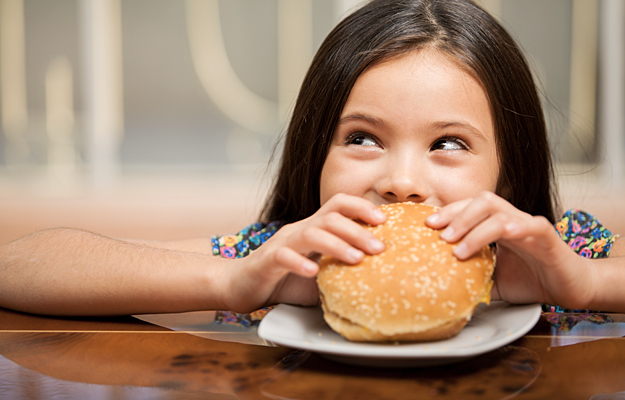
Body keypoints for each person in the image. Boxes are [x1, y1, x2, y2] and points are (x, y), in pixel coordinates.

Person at [0, 0, 622, 317]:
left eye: (448, 144)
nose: (402, 182)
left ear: (506, 173)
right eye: (362, 138)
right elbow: (18, 266)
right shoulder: (285, 262)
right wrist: (234, 280)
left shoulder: (559, 258)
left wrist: (588, 283)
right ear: (313, 155)